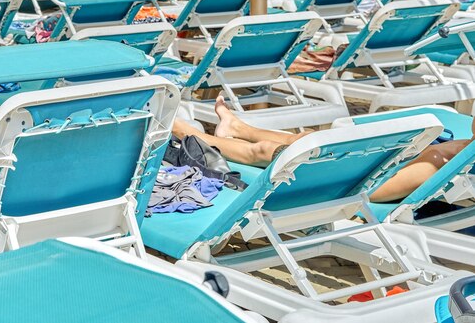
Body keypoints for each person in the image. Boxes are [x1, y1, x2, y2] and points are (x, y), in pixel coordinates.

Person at [173, 96, 474, 203]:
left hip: (352, 180)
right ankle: (238, 129)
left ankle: (193, 135)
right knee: (303, 138)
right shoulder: (457, 152)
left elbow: (370, 193)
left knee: (268, 152)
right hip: (382, 164)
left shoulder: (440, 160)